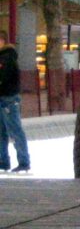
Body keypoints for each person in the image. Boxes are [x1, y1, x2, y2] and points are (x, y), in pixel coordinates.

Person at [0, 30, 30, 174]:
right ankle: (3, 161)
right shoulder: (4, 57)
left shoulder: (7, 58)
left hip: (9, 98)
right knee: (2, 131)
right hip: (4, 97)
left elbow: (5, 78)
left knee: (15, 130)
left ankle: (23, 162)